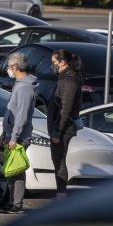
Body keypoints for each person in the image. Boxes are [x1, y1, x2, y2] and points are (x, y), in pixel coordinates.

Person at [0, 52, 37, 213]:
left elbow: (21, 115)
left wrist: (14, 136)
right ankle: (12, 201)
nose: (8, 70)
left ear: (15, 67)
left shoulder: (25, 88)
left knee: (17, 170)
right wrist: (5, 132)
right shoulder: (20, 85)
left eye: (9, 67)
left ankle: (17, 203)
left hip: (19, 137)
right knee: (11, 170)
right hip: (11, 134)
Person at [47, 49, 83, 199]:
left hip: (62, 128)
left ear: (62, 62)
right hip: (59, 127)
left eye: (54, 63)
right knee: (57, 160)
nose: (52, 66)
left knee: (59, 160)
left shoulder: (69, 80)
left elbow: (65, 108)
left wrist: (57, 131)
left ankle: (61, 194)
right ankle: (60, 193)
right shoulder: (64, 77)